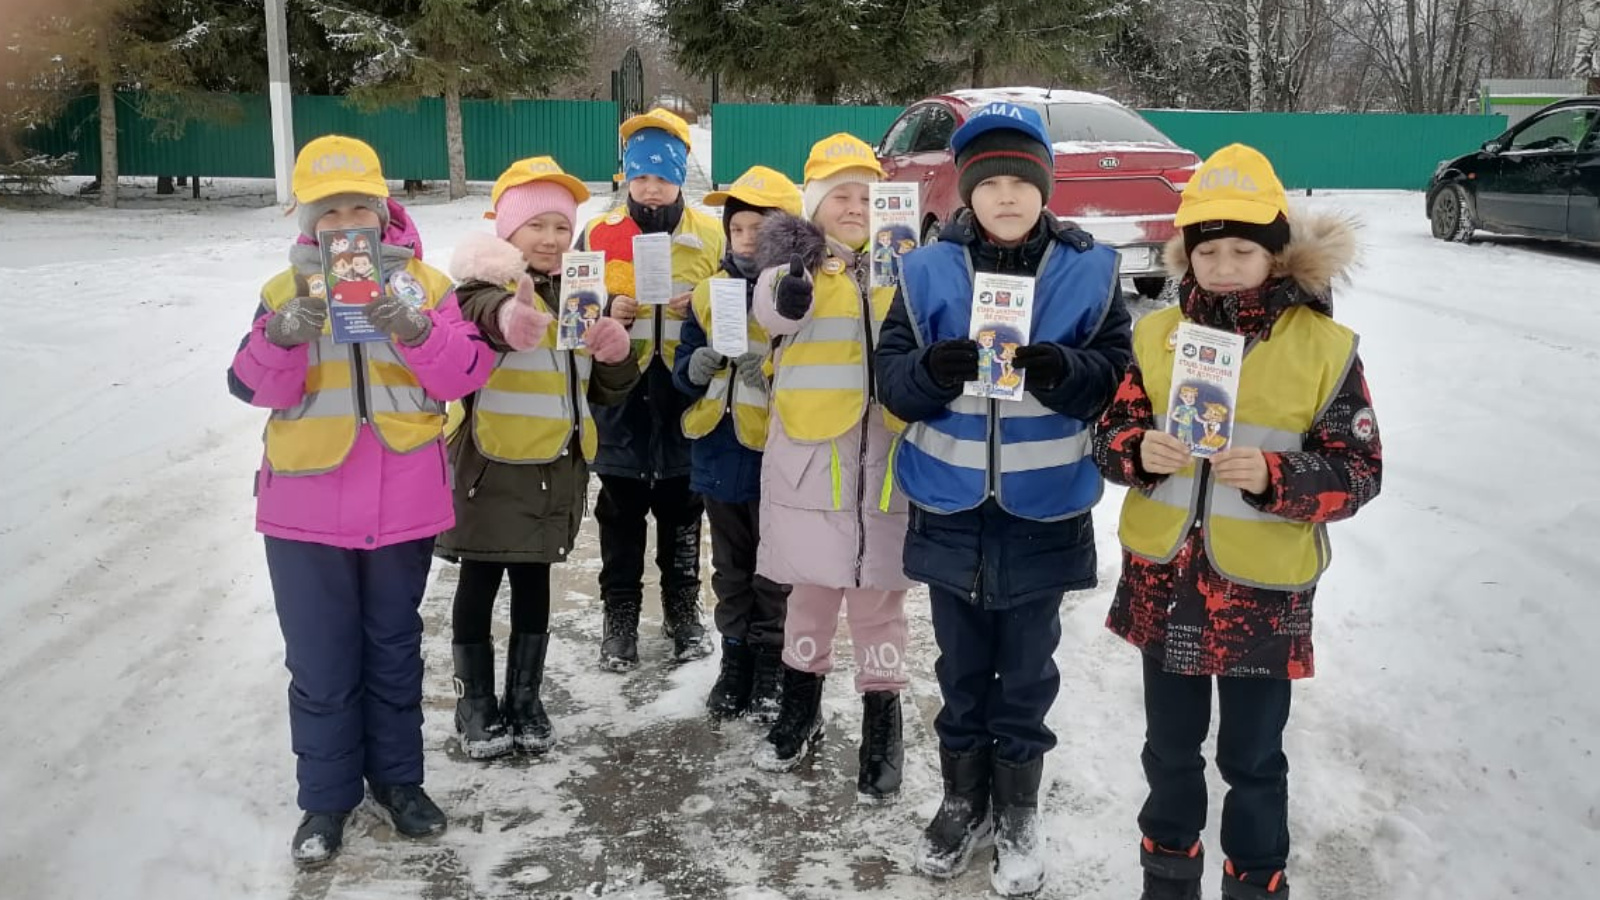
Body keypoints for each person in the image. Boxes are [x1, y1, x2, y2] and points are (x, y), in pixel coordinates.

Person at [1092, 144, 1383, 900]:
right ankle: (1167, 876)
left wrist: (1278, 478)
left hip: (1261, 596)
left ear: (1275, 254)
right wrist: (1136, 451)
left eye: (1242, 250)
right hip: (1165, 584)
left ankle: (1256, 880)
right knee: (1169, 751)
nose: (1223, 266)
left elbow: (1360, 472)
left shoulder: (1324, 350)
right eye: (1208, 250)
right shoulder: (1157, 337)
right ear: (1186, 255)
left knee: (1254, 760)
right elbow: (1109, 435)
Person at [875, 102, 1134, 896]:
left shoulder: (1090, 269)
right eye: (991, 184)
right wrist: (931, 372)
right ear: (968, 192)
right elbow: (892, 381)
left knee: (1026, 674)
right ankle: (963, 801)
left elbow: (1117, 376)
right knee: (960, 670)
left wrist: (1068, 373)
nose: (1008, 196)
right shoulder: (923, 271)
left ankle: (1018, 809)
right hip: (951, 504)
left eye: (1023, 182)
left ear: (1045, 188)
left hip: (1043, 506)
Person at [226, 135, 493, 867]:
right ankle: (326, 800)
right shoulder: (282, 292)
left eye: (358, 209)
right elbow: (251, 386)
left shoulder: (427, 287)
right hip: (305, 511)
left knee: (393, 652)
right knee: (320, 661)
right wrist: (283, 335)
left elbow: (463, 374)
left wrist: (414, 330)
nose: (345, 223)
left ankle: (400, 783)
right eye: (329, 212)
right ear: (308, 222)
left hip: (402, 503)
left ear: (383, 212)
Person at [436, 156, 637, 759]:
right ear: (508, 231)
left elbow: (605, 390)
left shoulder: (581, 292)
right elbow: (479, 317)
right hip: (489, 468)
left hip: (555, 469)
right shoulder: (478, 289)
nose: (550, 239)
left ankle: (525, 699)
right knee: (478, 581)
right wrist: (509, 319)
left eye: (561, 226)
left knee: (534, 582)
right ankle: (475, 704)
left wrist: (615, 353)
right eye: (536, 226)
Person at [747, 134, 910, 804]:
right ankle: (799, 708)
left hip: (883, 467)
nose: (855, 207)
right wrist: (790, 292)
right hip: (813, 470)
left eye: (867, 197)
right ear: (814, 205)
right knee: (809, 601)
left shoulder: (906, 268)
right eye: (840, 195)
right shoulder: (795, 270)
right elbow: (771, 311)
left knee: (880, 605)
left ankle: (883, 722)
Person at [578, 108, 726, 669]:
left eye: (662, 177)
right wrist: (604, 309)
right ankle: (619, 615)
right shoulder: (601, 233)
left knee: (683, 508)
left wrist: (704, 304)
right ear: (626, 177)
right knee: (619, 512)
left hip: (682, 390)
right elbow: (574, 307)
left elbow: (733, 300)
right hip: (621, 393)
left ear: (681, 176)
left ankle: (682, 608)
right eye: (640, 176)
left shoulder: (710, 234)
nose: (651, 188)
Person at [672, 166, 804, 722]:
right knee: (730, 568)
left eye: (759, 228)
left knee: (774, 571)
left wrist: (771, 375)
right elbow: (682, 368)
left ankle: (772, 661)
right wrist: (693, 368)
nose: (746, 239)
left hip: (775, 456)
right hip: (718, 451)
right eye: (737, 229)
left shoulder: (801, 296)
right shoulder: (709, 293)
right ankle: (735, 660)